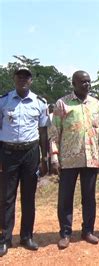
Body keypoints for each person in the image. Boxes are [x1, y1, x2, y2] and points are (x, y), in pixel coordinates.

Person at [50, 70, 99, 249]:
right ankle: (65, 233)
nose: (87, 85)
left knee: (89, 197)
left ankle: (88, 231)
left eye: (89, 81)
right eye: (83, 82)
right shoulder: (62, 103)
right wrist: (54, 157)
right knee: (65, 198)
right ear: (73, 83)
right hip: (68, 160)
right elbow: (54, 134)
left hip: (90, 159)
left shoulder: (96, 104)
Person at [0, 67, 49, 256]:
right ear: (14, 79)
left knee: (29, 197)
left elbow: (44, 132)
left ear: (31, 80)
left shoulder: (39, 103)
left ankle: (26, 236)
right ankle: (5, 239)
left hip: (30, 153)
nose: (22, 79)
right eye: (19, 76)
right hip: (8, 153)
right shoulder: (3, 101)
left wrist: (45, 157)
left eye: (26, 77)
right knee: (6, 198)